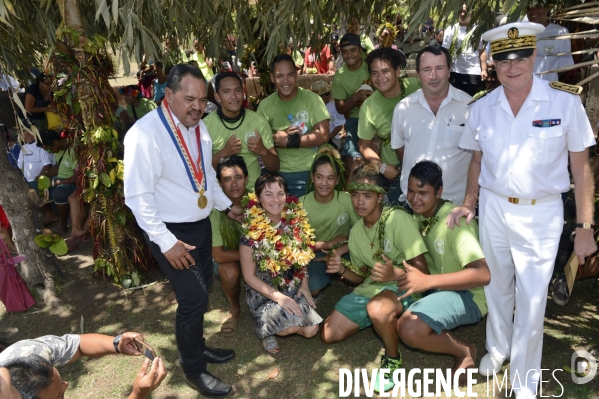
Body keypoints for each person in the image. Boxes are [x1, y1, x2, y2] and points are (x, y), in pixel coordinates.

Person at [447, 22, 597, 399]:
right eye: (502, 59)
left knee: (531, 298)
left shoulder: (564, 102)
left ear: (534, 56)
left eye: (519, 57)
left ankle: (525, 380)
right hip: (495, 208)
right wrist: (469, 202)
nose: (512, 66)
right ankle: (498, 349)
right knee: (497, 286)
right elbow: (477, 162)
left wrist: (584, 226)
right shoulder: (482, 107)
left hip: (541, 212)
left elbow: (581, 168)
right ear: (492, 63)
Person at [124, 64, 242, 397]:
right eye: (190, 98)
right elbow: (137, 197)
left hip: (200, 225)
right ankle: (193, 370)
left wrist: (225, 206)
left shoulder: (199, 128)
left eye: (203, 100)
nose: (198, 107)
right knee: (193, 300)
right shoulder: (144, 134)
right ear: (169, 94)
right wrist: (166, 242)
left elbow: (205, 176)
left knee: (201, 291)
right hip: (170, 232)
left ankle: (197, 347)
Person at [321, 162, 428, 393]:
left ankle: (392, 359)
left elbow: (424, 272)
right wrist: (340, 269)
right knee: (329, 334)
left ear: (380, 198)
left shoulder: (397, 219)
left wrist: (395, 273)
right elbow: (359, 277)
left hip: (405, 285)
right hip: (373, 289)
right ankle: (381, 319)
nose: (360, 201)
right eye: (356, 195)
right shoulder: (357, 231)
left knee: (378, 308)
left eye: (367, 196)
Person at [396, 160, 490, 381]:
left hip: (470, 296)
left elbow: (483, 274)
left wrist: (428, 282)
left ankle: (465, 351)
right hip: (435, 289)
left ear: (439, 192)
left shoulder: (455, 222)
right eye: (410, 191)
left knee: (408, 328)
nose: (414, 198)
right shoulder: (416, 215)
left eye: (422, 192)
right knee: (383, 305)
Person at [239, 173, 322, 354]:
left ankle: (283, 320)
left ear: (287, 195)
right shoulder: (250, 232)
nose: (276, 199)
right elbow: (248, 277)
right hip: (264, 293)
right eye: (268, 194)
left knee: (311, 330)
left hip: (291, 284)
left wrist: (305, 284)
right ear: (259, 199)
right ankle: (265, 328)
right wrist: (279, 298)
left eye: (280, 193)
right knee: (290, 328)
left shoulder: (294, 221)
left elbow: (302, 256)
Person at [391, 45, 472, 207]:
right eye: (427, 70)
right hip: (412, 203)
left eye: (440, 68)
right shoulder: (403, 108)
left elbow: (478, 156)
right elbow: (401, 149)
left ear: (449, 70)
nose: (433, 76)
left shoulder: (470, 107)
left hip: (455, 205)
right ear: (418, 74)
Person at [0, 332, 166, 399]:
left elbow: (78, 345)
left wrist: (116, 344)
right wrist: (138, 394)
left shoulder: (27, 353)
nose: (66, 385)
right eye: (59, 395)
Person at [256, 54, 331, 198]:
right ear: (272, 77)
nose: (285, 81)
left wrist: (290, 141)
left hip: (310, 172)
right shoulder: (265, 106)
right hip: (277, 175)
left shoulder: (312, 99)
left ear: (297, 75)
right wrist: (279, 135)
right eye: (280, 76)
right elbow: (261, 141)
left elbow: (323, 134)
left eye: (290, 75)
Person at [357, 47, 421, 205]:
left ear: (397, 70)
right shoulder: (369, 106)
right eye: (374, 73)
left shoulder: (417, 87)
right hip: (396, 171)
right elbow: (364, 145)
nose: (380, 78)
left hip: (427, 162)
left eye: (385, 71)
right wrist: (383, 167)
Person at [205, 72, 279, 190]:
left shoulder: (259, 122)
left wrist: (263, 151)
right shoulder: (206, 125)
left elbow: (275, 167)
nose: (233, 96)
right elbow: (201, 170)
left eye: (238, 90)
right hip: (220, 197)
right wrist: (224, 152)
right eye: (226, 91)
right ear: (217, 97)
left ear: (243, 93)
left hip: (253, 197)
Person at [300, 148, 358, 297]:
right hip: (316, 254)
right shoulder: (301, 204)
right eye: (319, 177)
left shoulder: (345, 199)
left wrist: (339, 250)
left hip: (345, 250)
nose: (324, 183)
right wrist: (328, 244)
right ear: (312, 178)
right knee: (313, 289)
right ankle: (333, 275)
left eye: (330, 178)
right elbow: (299, 245)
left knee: (365, 269)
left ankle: (345, 275)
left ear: (337, 180)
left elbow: (362, 232)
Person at [210, 155, 249, 336]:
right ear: (219, 184)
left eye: (238, 177)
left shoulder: (259, 200)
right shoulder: (214, 210)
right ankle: (234, 308)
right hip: (235, 257)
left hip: (257, 255)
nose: (233, 184)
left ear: (246, 179)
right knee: (229, 272)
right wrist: (253, 253)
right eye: (227, 179)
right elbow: (218, 255)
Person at [333, 33, 372, 177]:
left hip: (380, 115)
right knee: (350, 150)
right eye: (345, 52)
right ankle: (352, 184)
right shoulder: (340, 76)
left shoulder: (371, 67)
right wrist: (355, 97)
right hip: (356, 118)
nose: (349, 55)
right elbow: (340, 108)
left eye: (353, 50)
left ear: (360, 50)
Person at [37, 130, 77, 235]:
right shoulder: (58, 150)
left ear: (55, 142)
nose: (49, 152)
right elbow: (58, 166)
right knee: (36, 189)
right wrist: (44, 176)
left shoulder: (73, 150)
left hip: (72, 183)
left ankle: (62, 223)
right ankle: (50, 215)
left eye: (49, 149)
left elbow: (77, 177)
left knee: (59, 193)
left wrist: (54, 183)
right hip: (59, 179)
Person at [442, 4, 486, 96]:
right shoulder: (451, 29)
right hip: (455, 72)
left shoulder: (477, 29)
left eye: (465, 12)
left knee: (470, 102)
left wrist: (484, 69)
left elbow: (482, 51)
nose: (462, 14)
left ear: (471, 12)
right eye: (460, 12)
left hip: (473, 72)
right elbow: (444, 52)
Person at [525, 1, 574, 82]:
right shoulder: (521, 33)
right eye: (529, 7)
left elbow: (564, 66)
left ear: (548, 8)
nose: (533, 10)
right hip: (522, 91)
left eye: (538, 6)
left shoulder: (560, 32)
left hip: (549, 90)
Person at [16, 129, 57, 225]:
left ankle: (50, 214)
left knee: (33, 192)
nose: (19, 134)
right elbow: (18, 166)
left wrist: (40, 177)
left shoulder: (40, 146)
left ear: (28, 132)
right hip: (28, 181)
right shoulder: (23, 148)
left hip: (42, 180)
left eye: (21, 131)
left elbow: (47, 165)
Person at [311, 81, 345, 148]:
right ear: (319, 96)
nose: (330, 95)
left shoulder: (334, 106)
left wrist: (328, 138)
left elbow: (339, 126)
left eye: (329, 93)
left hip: (333, 138)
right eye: (327, 94)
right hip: (317, 138)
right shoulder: (311, 107)